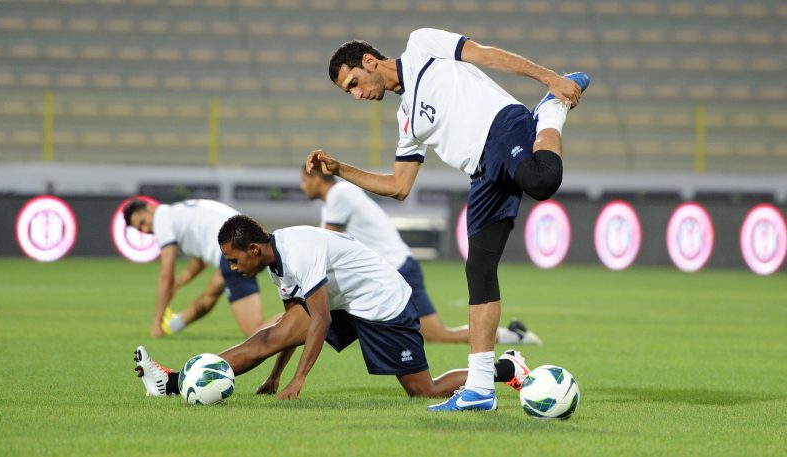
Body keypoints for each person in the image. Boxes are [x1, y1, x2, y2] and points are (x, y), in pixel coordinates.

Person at [305, 28, 589, 411]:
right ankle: (480, 389)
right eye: (349, 92)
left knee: (542, 180)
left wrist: (550, 79)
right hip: (481, 170)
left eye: (354, 83)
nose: (357, 95)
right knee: (479, 271)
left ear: (369, 62)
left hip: (502, 126)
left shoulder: (421, 45)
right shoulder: (406, 118)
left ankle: (549, 111)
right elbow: (399, 186)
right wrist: (340, 169)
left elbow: (486, 54)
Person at [134, 214, 531, 410]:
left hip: (382, 304)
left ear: (253, 249)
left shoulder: (298, 251)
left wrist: (298, 380)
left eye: (235, 261)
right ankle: (169, 382)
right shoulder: (275, 262)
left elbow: (319, 320)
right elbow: (289, 325)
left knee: (421, 390)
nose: (233, 269)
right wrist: (275, 374)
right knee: (267, 338)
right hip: (345, 300)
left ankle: (505, 370)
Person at [299, 168, 542, 345]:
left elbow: (325, 245)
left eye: (304, 180)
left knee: (436, 334)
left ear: (316, 178)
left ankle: (513, 336)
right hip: (384, 272)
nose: (302, 187)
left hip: (397, 269)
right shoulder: (338, 196)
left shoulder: (339, 194)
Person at [124, 199, 274, 338]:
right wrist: (176, 285)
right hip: (249, 241)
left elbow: (166, 276)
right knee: (211, 292)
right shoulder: (178, 213)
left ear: (150, 208)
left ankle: (295, 321)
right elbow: (200, 262)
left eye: (143, 222)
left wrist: (156, 322)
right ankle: (174, 325)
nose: (146, 229)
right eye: (140, 229)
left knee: (255, 332)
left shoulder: (161, 219)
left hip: (235, 253)